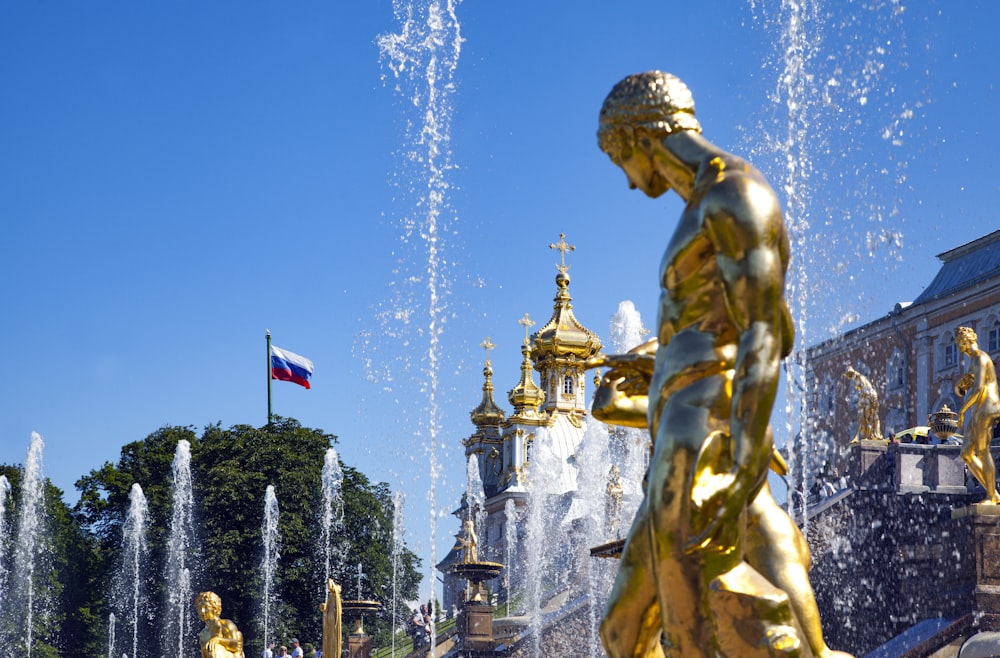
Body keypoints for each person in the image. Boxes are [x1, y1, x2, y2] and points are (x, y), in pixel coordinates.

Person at [591, 71, 850, 658]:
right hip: (681, 431)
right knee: (621, 631)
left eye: (619, 161)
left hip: (700, 437)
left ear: (637, 136)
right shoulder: (703, 204)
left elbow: (763, 333)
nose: (630, 184)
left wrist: (744, 451)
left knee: (696, 632)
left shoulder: (735, 194)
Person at [956, 326, 1000, 504]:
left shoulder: (981, 358)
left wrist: (962, 410)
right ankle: (993, 493)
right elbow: (963, 389)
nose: (958, 344)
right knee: (966, 452)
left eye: (959, 340)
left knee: (983, 451)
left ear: (966, 341)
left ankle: (991, 496)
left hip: (988, 406)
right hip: (979, 408)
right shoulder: (972, 362)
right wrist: (962, 385)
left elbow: (979, 389)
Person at [196, 591, 245, 658]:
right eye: (200, 608)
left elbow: (236, 645)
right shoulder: (204, 632)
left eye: (206, 607)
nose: (202, 611)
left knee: (214, 648)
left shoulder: (225, 624)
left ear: (214, 608)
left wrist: (218, 640)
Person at [844, 366, 882, 442]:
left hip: (869, 397)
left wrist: (862, 401)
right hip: (872, 396)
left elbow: (864, 390)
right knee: (872, 417)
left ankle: (870, 435)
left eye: (849, 375)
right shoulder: (861, 377)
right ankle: (873, 435)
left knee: (866, 418)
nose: (849, 377)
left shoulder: (859, 378)